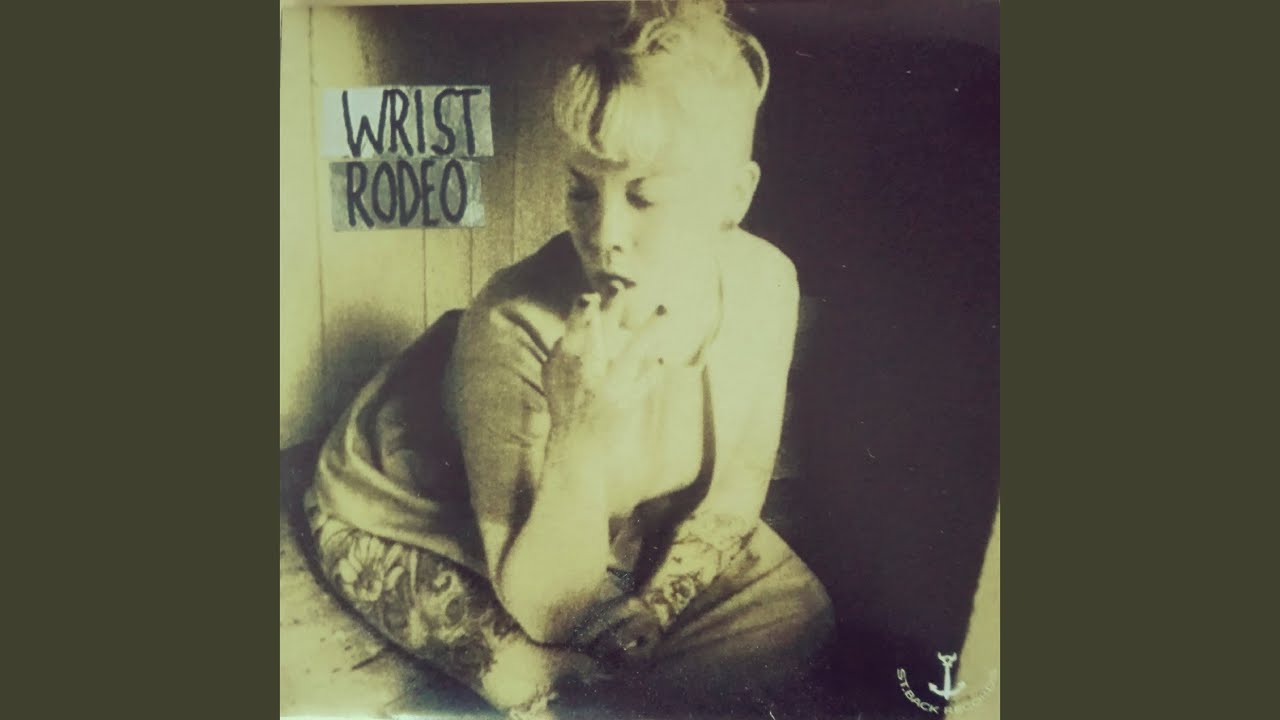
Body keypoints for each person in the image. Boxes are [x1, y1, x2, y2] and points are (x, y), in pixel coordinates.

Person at [302, 1, 834, 717]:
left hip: (617, 529)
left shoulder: (766, 285)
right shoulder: (510, 321)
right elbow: (547, 611)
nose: (604, 232)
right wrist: (579, 433)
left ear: (733, 198)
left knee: (798, 617)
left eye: (644, 198)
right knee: (544, 682)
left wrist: (652, 611)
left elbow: (734, 497)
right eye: (581, 190)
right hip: (420, 506)